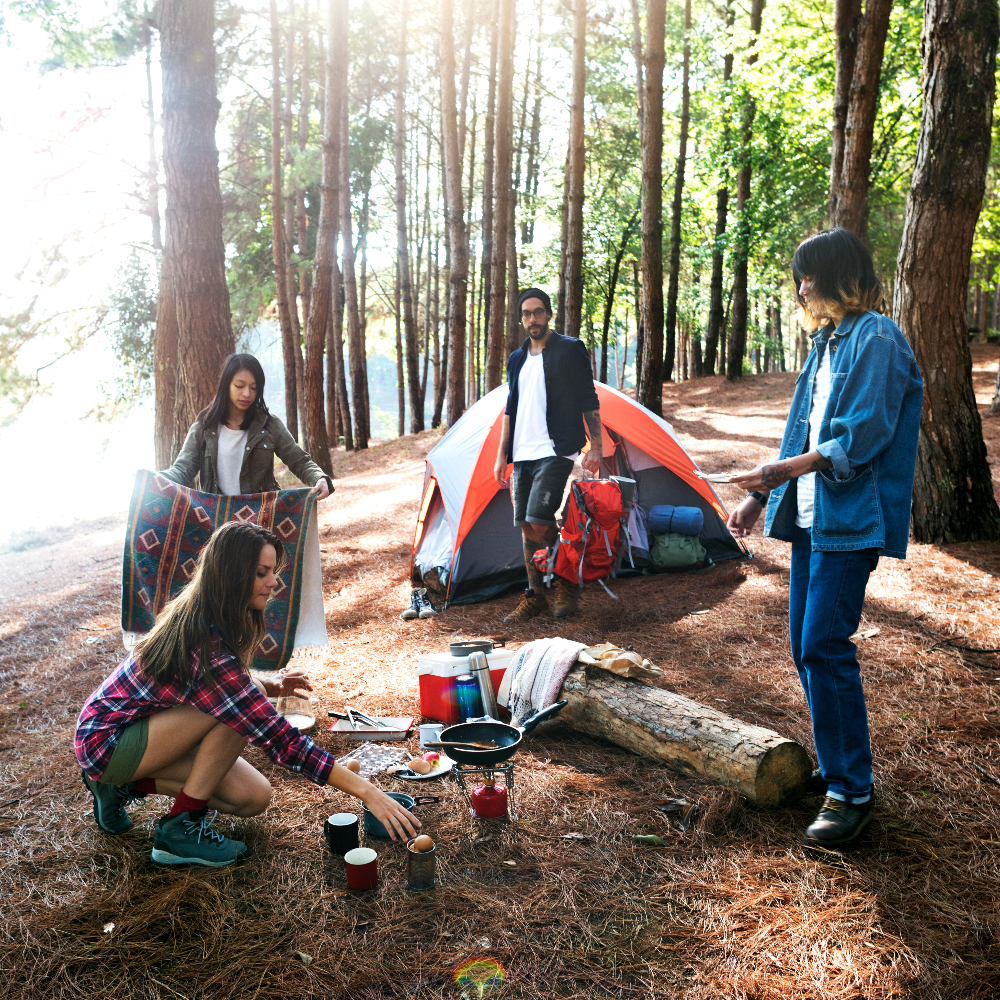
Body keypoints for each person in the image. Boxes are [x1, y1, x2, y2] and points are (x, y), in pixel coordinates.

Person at [726, 228, 923, 845]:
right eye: (799, 277)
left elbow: (864, 435)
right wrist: (761, 496)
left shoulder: (879, 339)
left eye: (810, 275)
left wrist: (785, 471)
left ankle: (851, 792)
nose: (802, 287)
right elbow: (798, 432)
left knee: (823, 645)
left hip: (851, 521)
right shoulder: (826, 342)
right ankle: (839, 770)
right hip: (813, 519)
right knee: (803, 647)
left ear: (841, 274)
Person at [76, 521, 419, 866]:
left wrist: (268, 685)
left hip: (145, 730)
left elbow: (215, 683)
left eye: (272, 571)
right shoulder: (202, 639)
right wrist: (367, 791)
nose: (274, 581)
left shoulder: (208, 617)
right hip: (107, 741)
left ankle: (120, 786)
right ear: (231, 575)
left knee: (252, 797)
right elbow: (280, 738)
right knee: (241, 706)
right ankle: (178, 830)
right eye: (261, 573)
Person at [493, 288, 604, 622]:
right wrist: (502, 455)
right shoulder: (516, 358)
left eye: (538, 312)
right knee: (526, 524)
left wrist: (596, 446)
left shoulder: (570, 350)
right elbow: (509, 410)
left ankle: (568, 582)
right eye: (526, 313)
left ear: (548, 314)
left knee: (540, 517)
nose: (532, 319)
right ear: (521, 318)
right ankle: (536, 594)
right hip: (522, 452)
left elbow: (589, 398)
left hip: (556, 448)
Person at [160, 353, 333, 500]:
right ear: (226, 385)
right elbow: (182, 469)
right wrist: (156, 479)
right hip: (217, 522)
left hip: (261, 521)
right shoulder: (203, 428)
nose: (246, 393)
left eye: (253, 387)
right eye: (239, 386)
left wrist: (319, 478)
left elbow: (299, 461)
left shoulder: (270, 425)